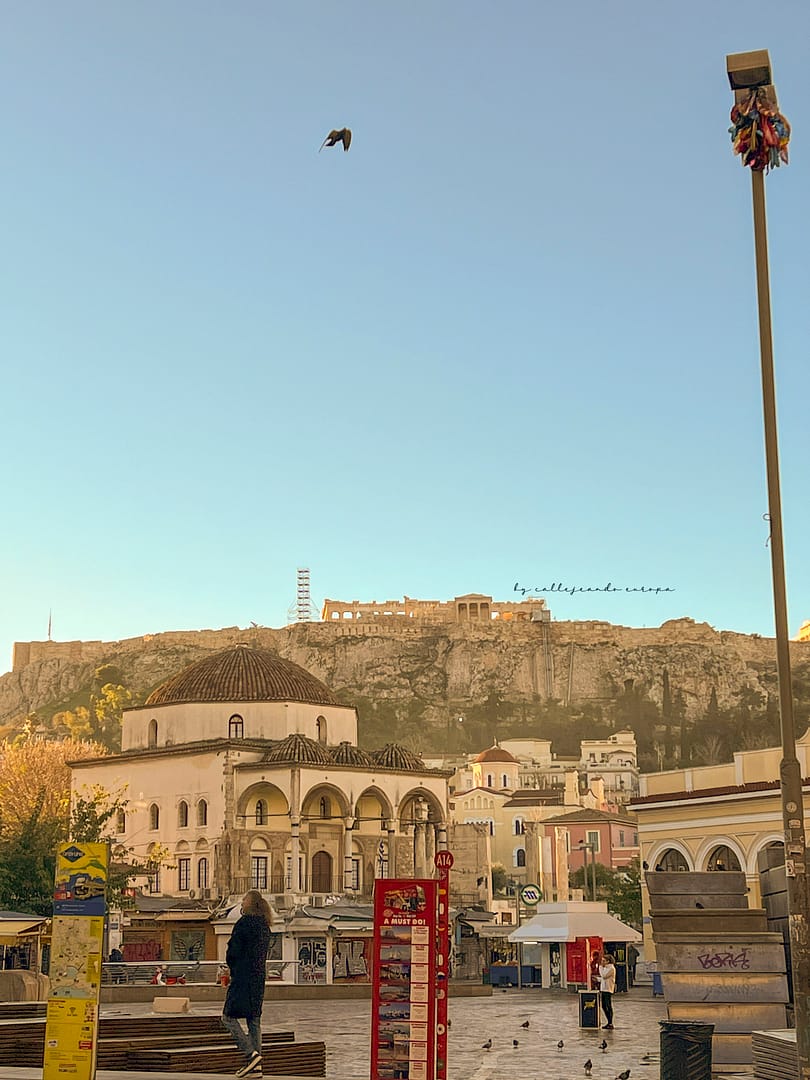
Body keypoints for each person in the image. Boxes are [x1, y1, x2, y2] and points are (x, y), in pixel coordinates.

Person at [221, 890, 272, 1078]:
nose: (241, 903)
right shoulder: (265, 926)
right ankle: (256, 1068)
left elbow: (233, 951)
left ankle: (251, 1055)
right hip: (258, 978)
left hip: (242, 977)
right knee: (254, 1020)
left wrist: (231, 967)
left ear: (250, 903)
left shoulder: (244, 924)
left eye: (244, 900)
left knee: (227, 1017)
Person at [599, 953, 617, 1030]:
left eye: (604, 961)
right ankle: (608, 1021)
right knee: (603, 1005)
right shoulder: (605, 968)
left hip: (608, 989)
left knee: (608, 1005)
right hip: (603, 988)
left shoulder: (611, 968)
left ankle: (610, 1022)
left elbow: (604, 975)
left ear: (608, 961)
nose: (602, 962)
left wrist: (600, 968)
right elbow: (603, 978)